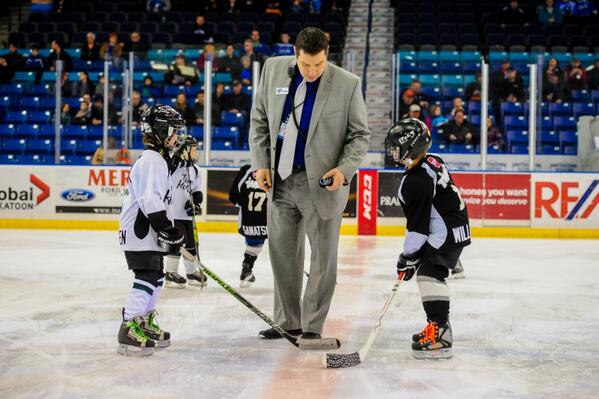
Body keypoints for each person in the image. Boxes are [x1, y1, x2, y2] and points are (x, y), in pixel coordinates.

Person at [249, 27, 370, 340]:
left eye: (318, 64)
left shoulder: (347, 84)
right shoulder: (272, 70)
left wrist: (344, 170)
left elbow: (359, 135)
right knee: (282, 255)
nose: (313, 71)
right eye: (306, 65)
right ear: (295, 54)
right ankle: (288, 321)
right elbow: (260, 120)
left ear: (327, 54)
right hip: (281, 180)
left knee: (323, 260)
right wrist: (261, 163)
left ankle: (313, 326)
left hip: (324, 185)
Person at [384, 118, 470, 359]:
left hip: (445, 233)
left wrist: (407, 258)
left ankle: (440, 333)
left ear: (412, 148)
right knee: (429, 269)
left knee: (428, 274)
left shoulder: (415, 182)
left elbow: (418, 229)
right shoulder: (433, 160)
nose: (392, 151)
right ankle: (438, 326)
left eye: (396, 146)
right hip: (456, 226)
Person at [117, 104, 185, 356]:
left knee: (156, 275)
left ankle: (143, 321)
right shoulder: (152, 160)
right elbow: (149, 199)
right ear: (160, 130)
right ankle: (129, 326)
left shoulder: (158, 160)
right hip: (140, 230)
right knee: (146, 275)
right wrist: (165, 227)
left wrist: (165, 229)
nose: (177, 137)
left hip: (148, 231)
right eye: (174, 131)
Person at [164, 135, 207, 288]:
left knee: (191, 244)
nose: (196, 152)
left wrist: (195, 203)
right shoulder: (173, 167)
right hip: (173, 214)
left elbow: (196, 191)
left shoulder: (196, 170)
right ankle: (170, 272)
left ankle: (191, 273)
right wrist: (175, 158)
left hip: (186, 216)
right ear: (184, 150)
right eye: (193, 149)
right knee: (176, 243)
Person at [229, 165, 268, 287]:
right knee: (282, 245)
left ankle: (247, 268)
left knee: (253, 243)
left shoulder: (247, 170)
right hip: (270, 217)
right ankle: (288, 275)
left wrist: (245, 206)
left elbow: (233, 196)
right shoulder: (274, 169)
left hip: (249, 219)